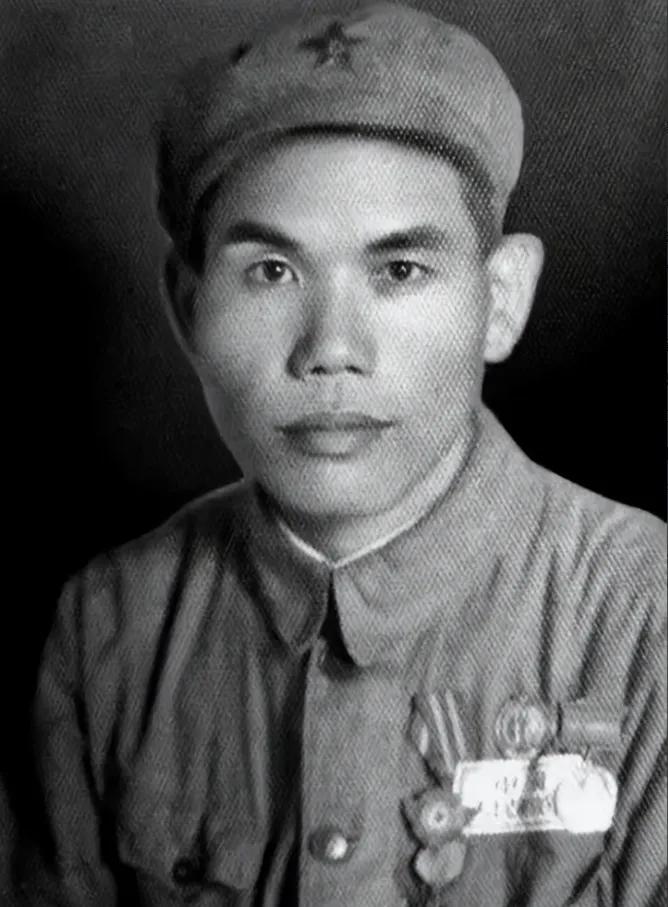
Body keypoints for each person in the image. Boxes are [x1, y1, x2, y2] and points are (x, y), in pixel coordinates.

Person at [12, 2, 666, 905]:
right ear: (188, 308)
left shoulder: (642, 616)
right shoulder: (108, 630)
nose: (331, 348)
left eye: (399, 270)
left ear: (502, 299)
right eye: (271, 271)